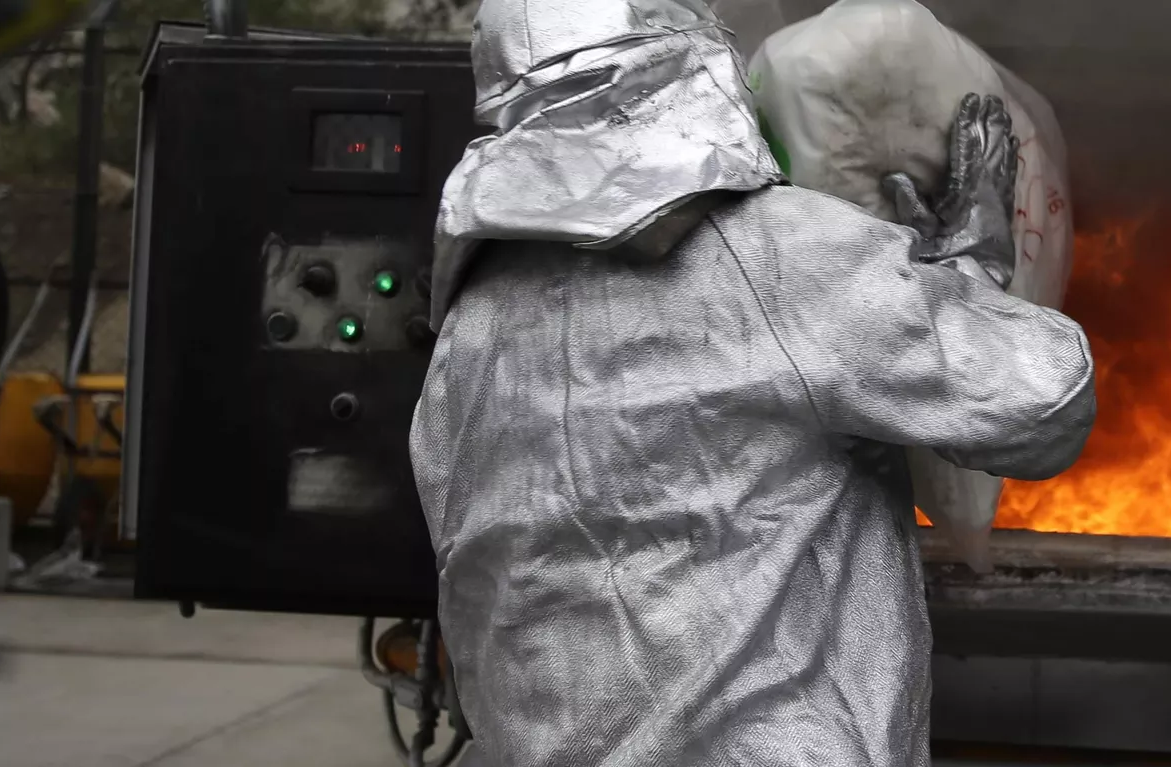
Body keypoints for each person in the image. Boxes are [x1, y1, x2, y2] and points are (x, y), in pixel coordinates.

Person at [407, 1, 1097, 765]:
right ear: (685, 66)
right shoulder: (782, 257)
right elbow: (1046, 402)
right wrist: (976, 262)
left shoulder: (467, 332)